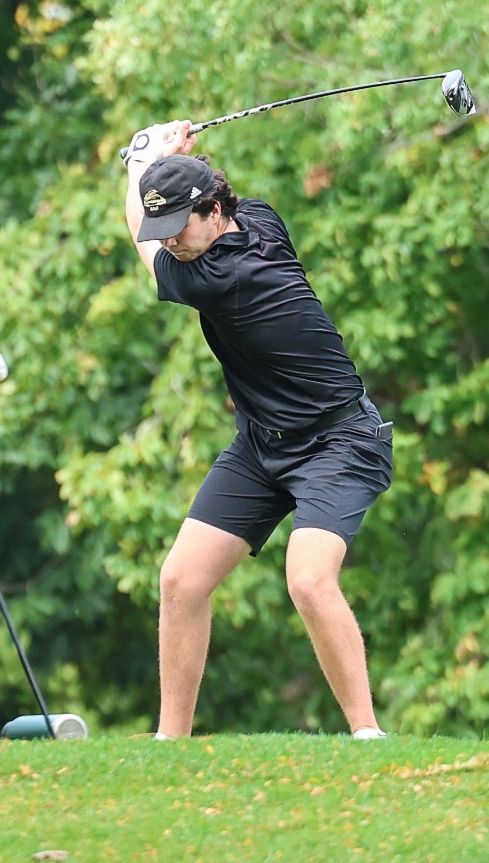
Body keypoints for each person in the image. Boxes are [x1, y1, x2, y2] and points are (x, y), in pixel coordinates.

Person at [119, 119, 394, 739]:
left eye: (179, 228)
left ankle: (367, 736)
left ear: (215, 210)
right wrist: (168, 168)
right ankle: (170, 743)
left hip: (341, 443)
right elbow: (153, 226)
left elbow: (138, 243)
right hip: (263, 443)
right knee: (181, 580)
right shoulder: (260, 217)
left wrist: (140, 160)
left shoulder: (223, 279)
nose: (171, 243)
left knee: (308, 577)